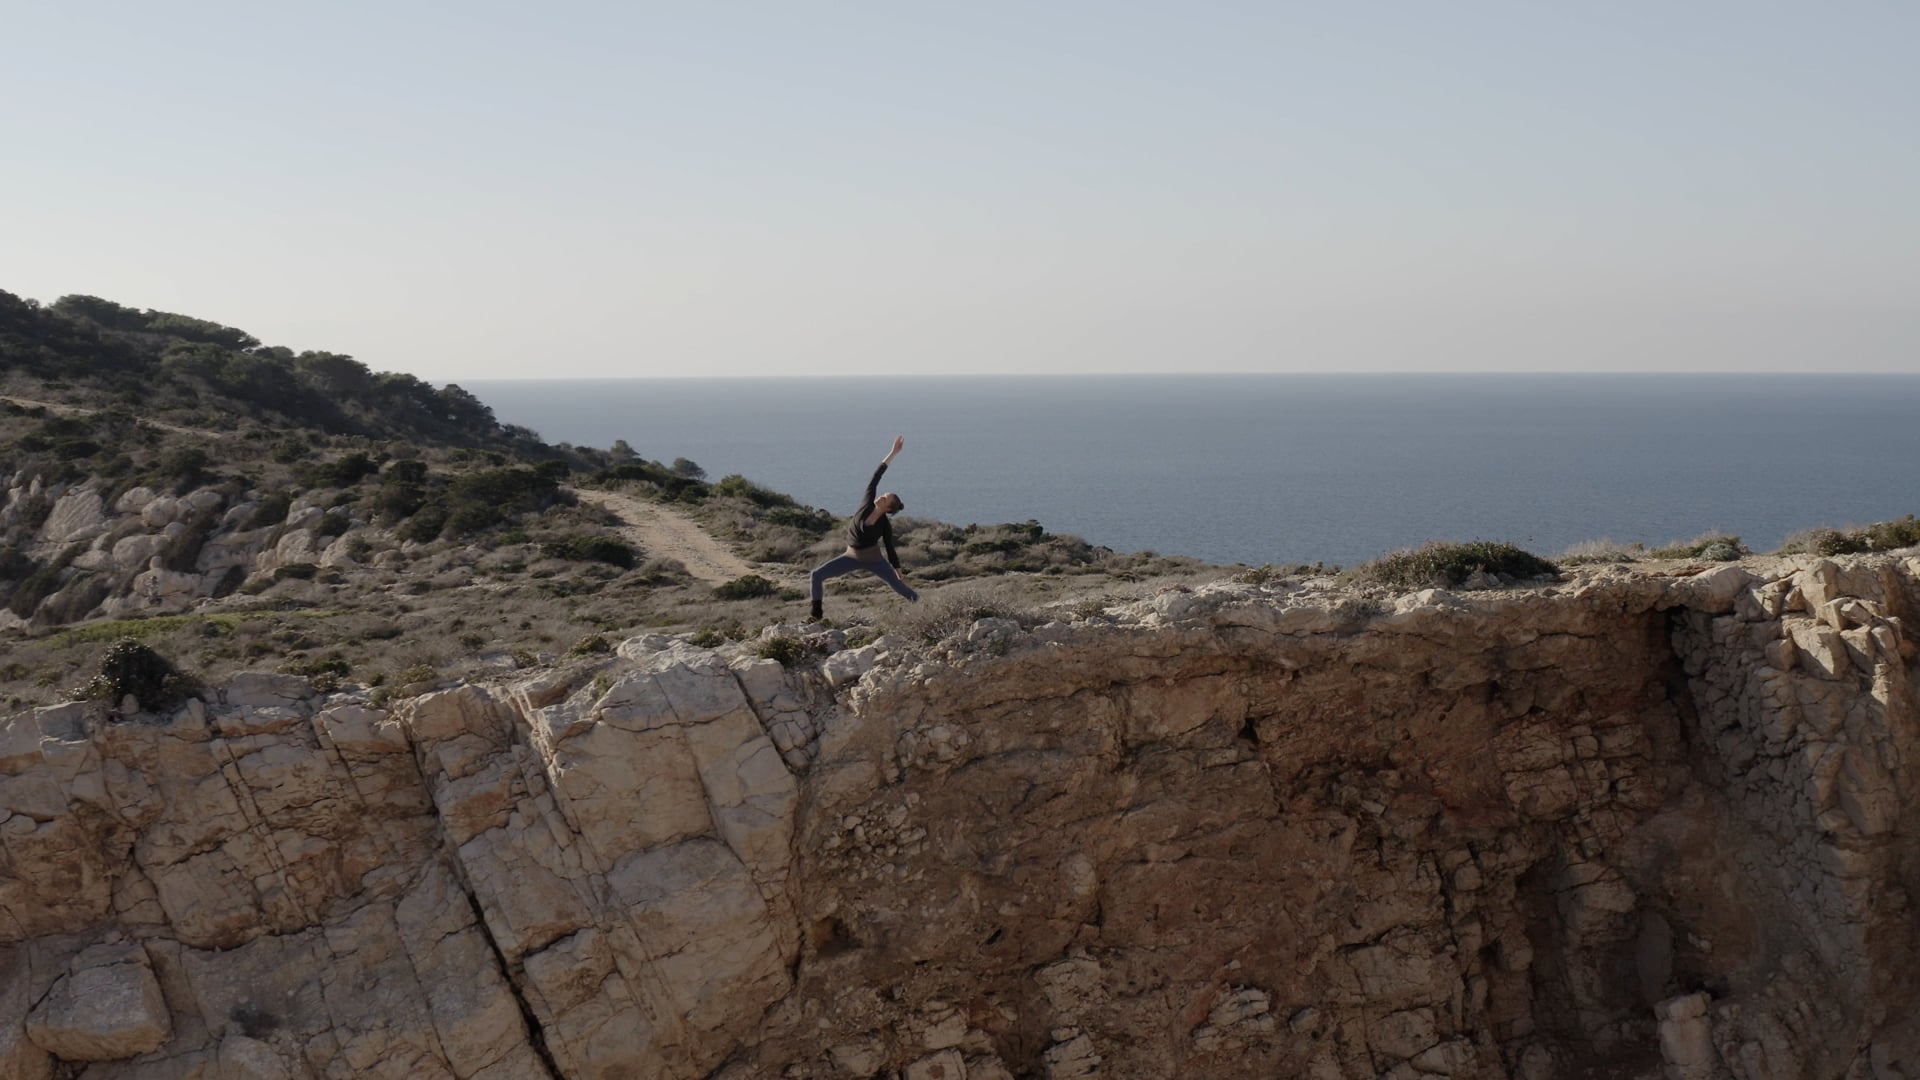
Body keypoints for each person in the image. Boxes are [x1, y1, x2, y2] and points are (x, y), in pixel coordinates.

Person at [809, 435, 919, 621]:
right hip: (850, 556)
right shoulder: (867, 503)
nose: (882, 496)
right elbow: (876, 476)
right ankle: (816, 616)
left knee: (899, 587)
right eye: (884, 494)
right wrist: (893, 453)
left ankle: (925, 607)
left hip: (874, 559)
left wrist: (899, 573)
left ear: (888, 508)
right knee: (816, 575)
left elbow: (890, 548)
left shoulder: (884, 524)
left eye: (886, 498)